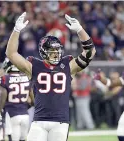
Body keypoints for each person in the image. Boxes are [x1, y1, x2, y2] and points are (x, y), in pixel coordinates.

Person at [6, 12, 96, 141]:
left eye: (57, 50)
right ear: (43, 53)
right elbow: (11, 54)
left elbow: (90, 52)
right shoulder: (33, 66)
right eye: (52, 51)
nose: (56, 54)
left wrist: (80, 30)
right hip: (38, 121)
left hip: (60, 122)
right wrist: (16, 30)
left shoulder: (68, 65)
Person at [0, 58, 32, 141]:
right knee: (23, 139)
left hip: (11, 114)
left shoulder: (5, 79)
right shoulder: (26, 78)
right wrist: (24, 107)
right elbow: (33, 101)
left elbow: (2, 100)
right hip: (25, 115)